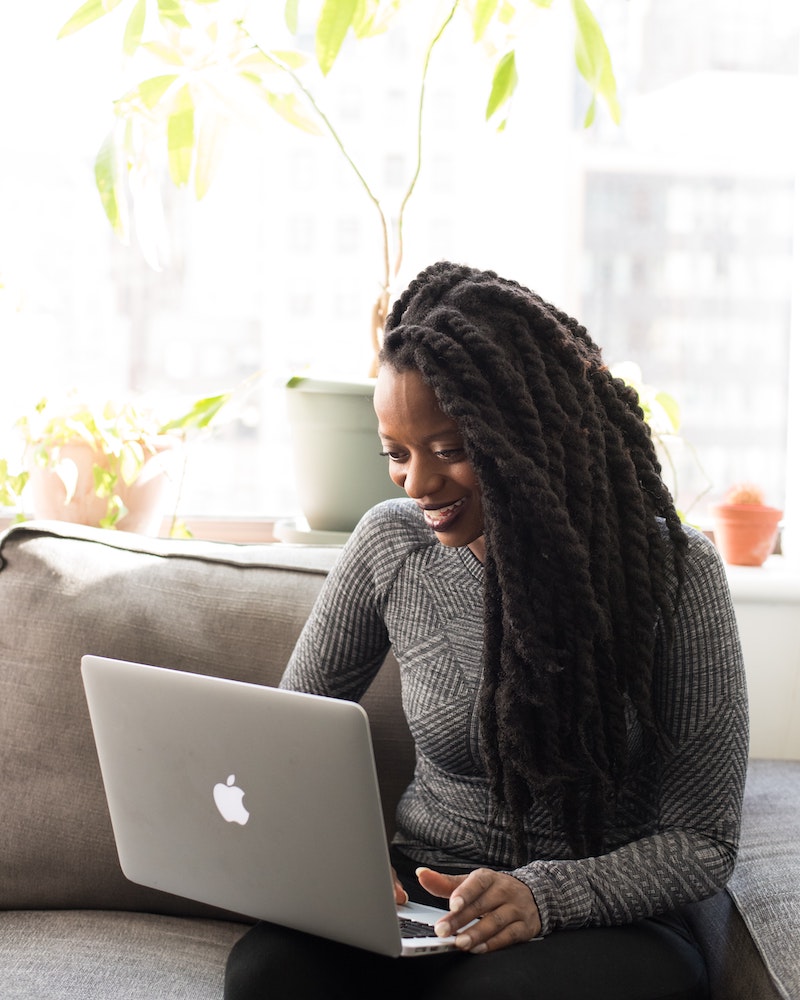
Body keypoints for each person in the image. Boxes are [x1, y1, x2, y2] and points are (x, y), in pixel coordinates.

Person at [225, 261, 748, 999]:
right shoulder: (390, 546)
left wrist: (542, 898)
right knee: (267, 973)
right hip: (425, 891)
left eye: (449, 450)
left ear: (527, 434)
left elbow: (703, 841)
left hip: (601, 918)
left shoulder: (675, 572)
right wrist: (337, 859)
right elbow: (284, 737)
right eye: (396, 454)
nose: (417, 483)